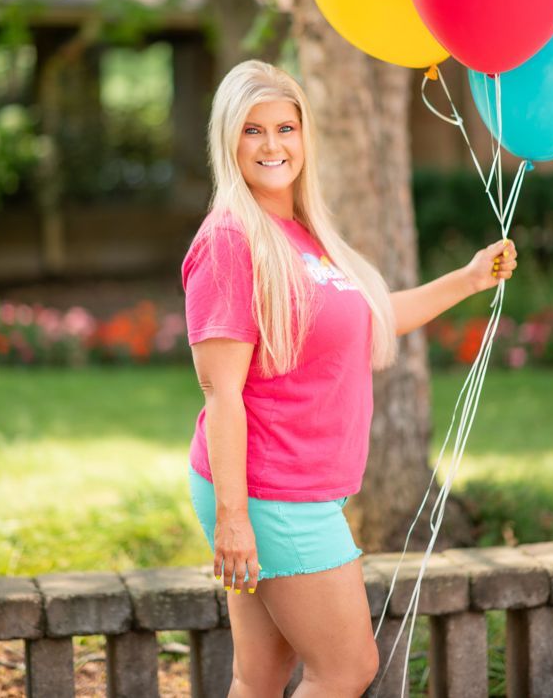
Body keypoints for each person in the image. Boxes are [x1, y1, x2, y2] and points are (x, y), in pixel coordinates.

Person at [182, 59, 517, 698]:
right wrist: (233, 520)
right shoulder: (231, 241)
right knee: (347, 669)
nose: (273, 145)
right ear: (228, 140)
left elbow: (369, 321)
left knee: (257, 678)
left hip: (293, 487)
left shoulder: (303, 234)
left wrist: (469, 279)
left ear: (306, 135)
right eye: (253, 131)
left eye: (286, 126)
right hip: (270, 493)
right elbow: (220, 392)